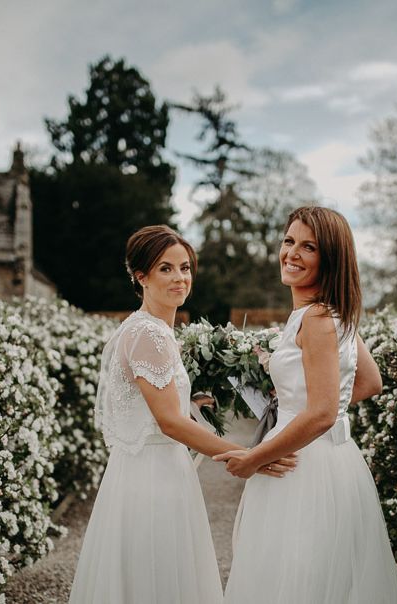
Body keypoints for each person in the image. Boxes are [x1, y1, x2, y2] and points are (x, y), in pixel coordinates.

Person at [68, 225, 296, 604]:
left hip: (149, 468)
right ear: (140, 276)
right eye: (165, 269)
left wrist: (192, 403)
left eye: (185, 267)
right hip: (154, 476)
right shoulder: (149, 334)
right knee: (156, 577)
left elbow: (160, 408)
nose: (180, 278)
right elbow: (168, 423)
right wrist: (243, 455)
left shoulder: (150, 329)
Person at [215, 207, 397, 603]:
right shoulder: (333, 314)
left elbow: (321, 413)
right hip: (333, 462)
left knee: (295, 579)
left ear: (330, 259)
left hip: (302, 467)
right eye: (289, 242)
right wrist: (300, 398)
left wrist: (254, 458)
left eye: (309, 247)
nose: (292, 254)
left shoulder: (317, 319)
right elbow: (370, 382)